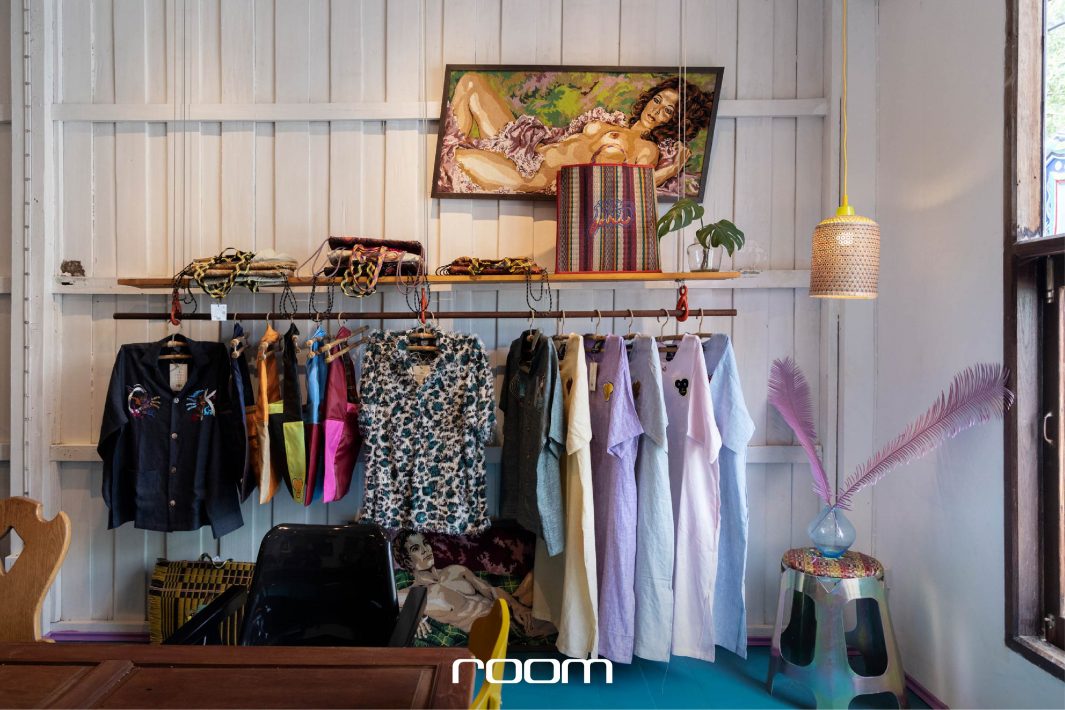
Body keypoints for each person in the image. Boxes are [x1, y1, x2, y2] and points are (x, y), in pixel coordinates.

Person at [445, 75, 714, 193]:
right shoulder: (614, 121)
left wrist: (670, 169)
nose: (656, 110)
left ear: (673, 121)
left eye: (668, 111)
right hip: (522, 145)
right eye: (657, 100)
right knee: (471, 82)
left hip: (529, 175)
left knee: (453, 159)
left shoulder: (647, 149)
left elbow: (632, 188)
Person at [393, 529, 555, 638]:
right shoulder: (412, 594)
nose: (425, 550)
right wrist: (409, 619)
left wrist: (517, 606)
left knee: (549, 566)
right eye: (416, 548)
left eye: (425, 543)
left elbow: (491, 590)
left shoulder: (455, 570)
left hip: (512, 615)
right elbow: (383, 608)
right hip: (492, 633)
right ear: (407, 561)